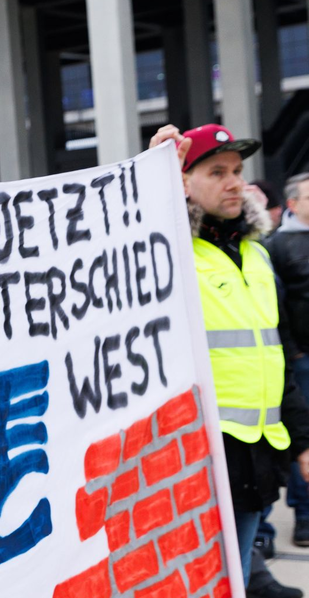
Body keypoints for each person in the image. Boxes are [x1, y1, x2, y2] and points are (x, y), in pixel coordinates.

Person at [150, 124, 309, 596]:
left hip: (255, 456)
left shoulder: (256, 254)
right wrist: (149, 179)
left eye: (237, 171)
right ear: (182, 182)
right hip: (199, 456)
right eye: (217, 172)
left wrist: (302, 443)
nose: (235, 182)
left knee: (232, 577)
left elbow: (275, 353)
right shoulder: (170, 248)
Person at [266, 172, 309, 548]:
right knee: (305, 438)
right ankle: (306, 516)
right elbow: (276, 304)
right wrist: (293, 351)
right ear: (293, 204)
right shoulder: (277, 246)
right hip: (302, 359)